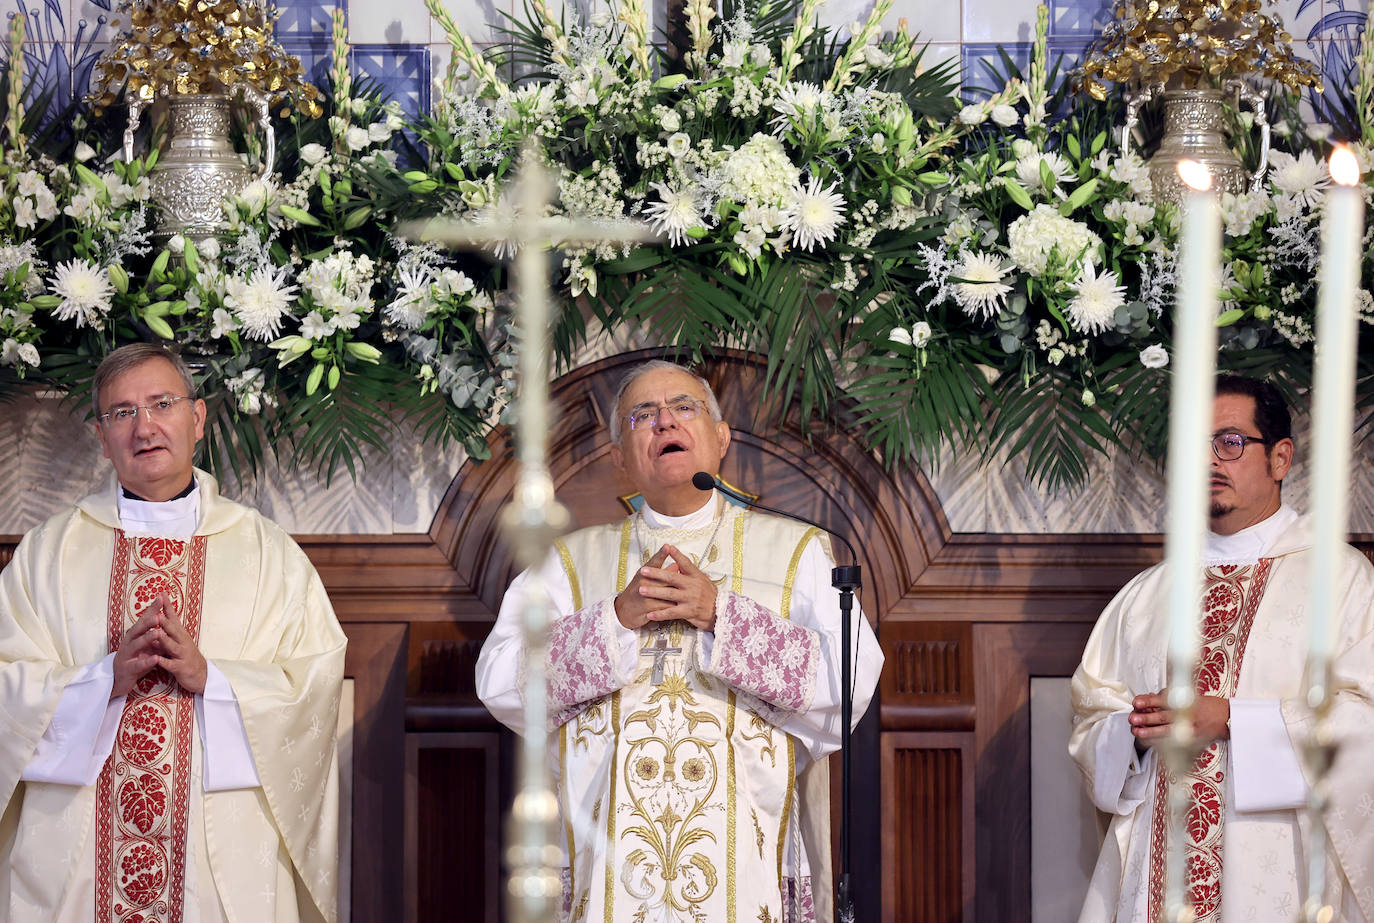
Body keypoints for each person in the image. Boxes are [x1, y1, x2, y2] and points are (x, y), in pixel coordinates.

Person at [477, 359, 884, 923]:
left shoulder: (798, 552)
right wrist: (613, 622)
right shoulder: (566, 562)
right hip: (607, 867)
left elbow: (851, 679)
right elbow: (501, 682)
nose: (664, 422)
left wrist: (722, 615)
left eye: (683, 407)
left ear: (720, 440)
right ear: (620, 457)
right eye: (643, 415)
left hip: (747, 864)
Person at [0, 343, 346, 922]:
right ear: (101, 436)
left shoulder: (268, 554)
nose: (145, 427)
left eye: (162, 403)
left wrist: (213, 679)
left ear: (198, 418)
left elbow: (312, 684)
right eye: (121, 413)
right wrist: (101, 679)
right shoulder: (48, 554)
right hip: (78, 857)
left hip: (222, 858)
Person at [1070, 375, 1374, 922]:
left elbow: (1365, 721)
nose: (1211, 460)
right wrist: (1135, 733)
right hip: (1157, 870)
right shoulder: (1145, 595)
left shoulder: (1342, 580)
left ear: (1280, 458)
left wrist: (1232, 719)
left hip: (1279, 869)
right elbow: (1092, 723)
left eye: (1230, 442)